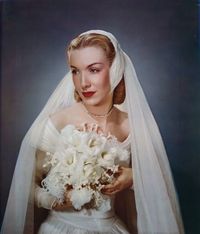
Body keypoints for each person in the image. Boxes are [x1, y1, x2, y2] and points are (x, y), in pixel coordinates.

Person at [1, 30, 184, 234]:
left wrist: (133, 177)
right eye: (75, 71)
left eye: (94, 70)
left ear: (115, 70)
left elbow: (158, 193)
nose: (83, 82)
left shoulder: (133, 127)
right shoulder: (57, 123)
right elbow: (26, 186)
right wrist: (54, 202)